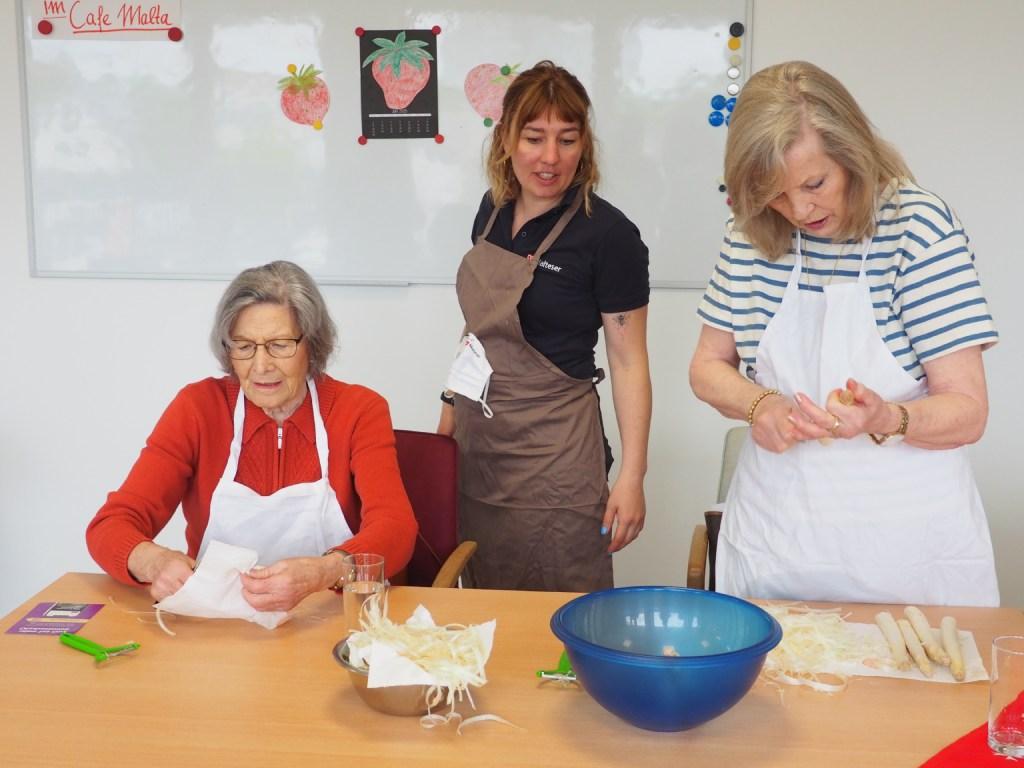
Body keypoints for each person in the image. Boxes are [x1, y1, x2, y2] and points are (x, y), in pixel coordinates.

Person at [690, 61, 999, 606]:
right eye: (777, 195)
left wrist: (888, 418)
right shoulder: (749, 235)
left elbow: (968, 410)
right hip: (776, 543)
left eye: (815, 184)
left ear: (852, 153)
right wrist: (761, 404)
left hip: (907, 554)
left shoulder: (917, 229)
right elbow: (707, 367)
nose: (800, 209)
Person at [87, 261, 417, 611]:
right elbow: (111, 525)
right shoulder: (198, 409)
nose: (260, 366)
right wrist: (154, 562)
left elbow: (395, 527)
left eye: (279, 345)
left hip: (330, 619)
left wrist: (324, 572)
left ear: (313, 345)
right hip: (218, 624)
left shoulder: (358, 409)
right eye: (243, 346)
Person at [438, 61, 652, 592]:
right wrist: (446, 413)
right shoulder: (490, 212)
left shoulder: (609, 235)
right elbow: (475, 332)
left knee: (562, 604)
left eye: (567, 139)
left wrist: (632, 475)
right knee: (484, 597)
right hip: (480, 446)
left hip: (556, 454)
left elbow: (629, 362)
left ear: (586, 145)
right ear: (506, 138)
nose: (550, 158)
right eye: (534, 137)